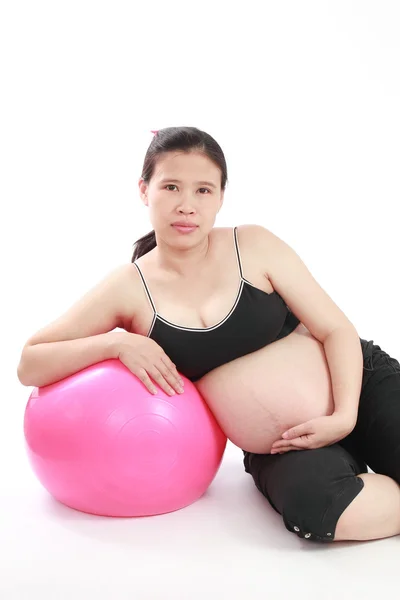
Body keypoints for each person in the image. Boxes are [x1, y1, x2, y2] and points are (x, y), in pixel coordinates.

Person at [17, 126, 400, 544]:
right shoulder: (129, 287)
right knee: (319, 510)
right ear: (144, 190)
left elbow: (336, 329)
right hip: (284, 444)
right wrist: (118, 342)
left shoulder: (253, 245)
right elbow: (31, 361)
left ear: (220, 197)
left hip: (358, 387)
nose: (186, 205)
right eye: (171, 187)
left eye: (203, 190)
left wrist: (343, 417)